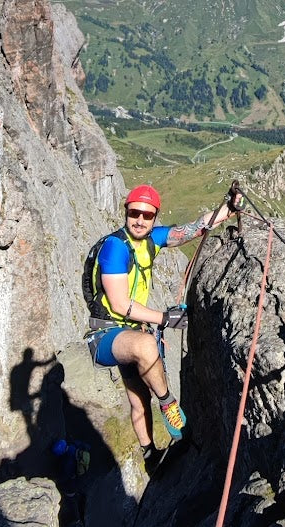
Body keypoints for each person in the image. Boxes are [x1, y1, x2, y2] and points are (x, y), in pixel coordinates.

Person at [84, 184, 230, 470]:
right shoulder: (115, 248)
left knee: (139, 398)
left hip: (129, 332)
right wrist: (163, 319)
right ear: (126, 213)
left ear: (154, 218)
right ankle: (168, 403)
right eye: (134, 213)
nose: (140, 220)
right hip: (105, 335)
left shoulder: (151, 239)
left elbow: (193, 229)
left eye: (147, 216)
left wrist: (229, 208)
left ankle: (149, 455)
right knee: (146, 346)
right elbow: (119, 303)